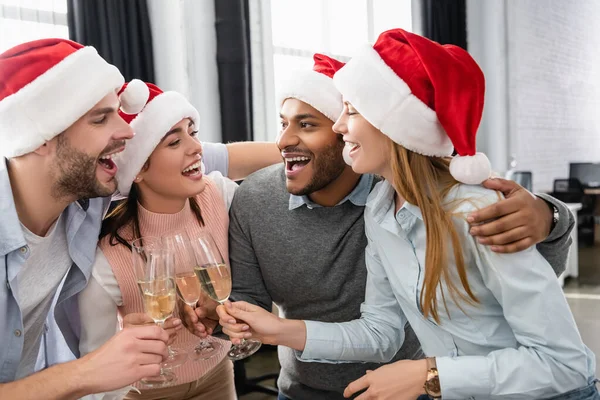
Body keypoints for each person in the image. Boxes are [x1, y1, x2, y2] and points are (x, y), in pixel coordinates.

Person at [217, 29, 599, 400]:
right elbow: (380, 333)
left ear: (394, 126)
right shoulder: (382, 211)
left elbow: (564, 365)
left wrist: (430, 375)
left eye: (351, 111)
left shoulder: (476, 210)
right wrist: (277, 330)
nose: (339, 125)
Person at [0, 38, 280, 399]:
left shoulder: (85, 199)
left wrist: (330, 148)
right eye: (101, 118)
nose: (129, 131)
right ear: (41, 136)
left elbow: (208, 158)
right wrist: (88, 370)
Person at [78, 82, 240, 400]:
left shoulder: (220, 196)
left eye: (192, 132)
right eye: (174, 142)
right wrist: (127, 339)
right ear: (137, 169)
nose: (196, 147)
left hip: (217, 373)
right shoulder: (109, 256)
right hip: (145, 390)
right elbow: (95, 364)